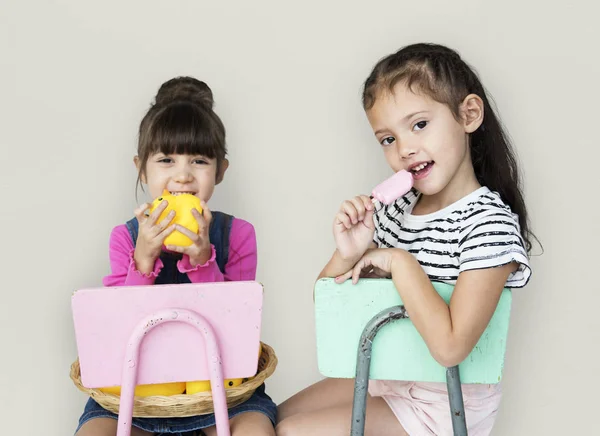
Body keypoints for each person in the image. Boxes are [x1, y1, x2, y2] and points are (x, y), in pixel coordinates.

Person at [276, 43, 533, 436]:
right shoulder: (397, 210)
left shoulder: (489, 224)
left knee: (294, 433)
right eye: (387, 139)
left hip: (445, 404)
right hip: (390, 377)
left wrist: (398, 261)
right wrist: (348, 253)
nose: (404, 149)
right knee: (273, 420)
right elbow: (330, 309)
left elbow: (450, 347)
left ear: (468, 114)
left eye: (418, 125)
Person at [76, 76, 276, 436]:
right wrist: (143, 260)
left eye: (199, 160)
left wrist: (202, 260)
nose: (182, 175)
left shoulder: (238, 234)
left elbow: (239, 325)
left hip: (224, 389)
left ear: (221, 170)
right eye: (166, 159)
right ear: (142, 167)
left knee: (256, 431)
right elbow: (119, 327)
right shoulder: (125, 237)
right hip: (137, 393)